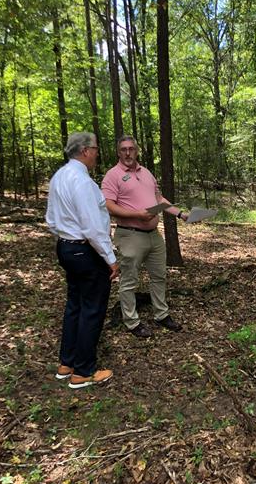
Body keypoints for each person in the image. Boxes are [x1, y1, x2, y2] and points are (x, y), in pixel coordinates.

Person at [46, 132, 119, 388]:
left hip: (66, 247)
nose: (97, 153)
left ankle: (66, 363)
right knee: (92, 308)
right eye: (95, 148)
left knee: (75, 304)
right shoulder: (82, 182)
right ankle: (83, 371)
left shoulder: (59, 177)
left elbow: (51, 219)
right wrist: (110, 258)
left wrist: (65, 236)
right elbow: (92, 227)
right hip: (85, 250)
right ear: (85, 151)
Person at [102, 135, 187, 338]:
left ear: (137, 150)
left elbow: (159, 199)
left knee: (159, 276)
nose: (128, 153)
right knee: (129, 281)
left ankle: (161, 315)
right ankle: (132, 322)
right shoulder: (112, 175)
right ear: (118, 152)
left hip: (154, 236)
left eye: (131, 148)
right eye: (123, 149)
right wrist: (137, 215)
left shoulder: (146, 173)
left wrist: (181, 214)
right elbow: (108, 205)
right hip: (130, 235)